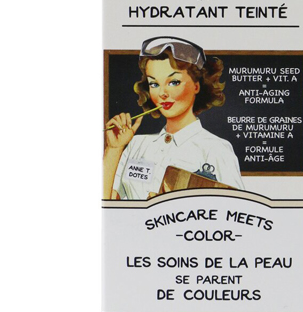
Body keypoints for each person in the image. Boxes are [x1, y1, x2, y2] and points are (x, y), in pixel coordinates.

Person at [103, 36, 243, 200]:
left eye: (174, 82)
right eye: (154, 84)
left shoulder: (217, 149)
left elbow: (235, 208)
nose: (162, 93)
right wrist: (113, 149)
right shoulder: (136, 145)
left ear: (196, 85)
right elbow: (106, 203)